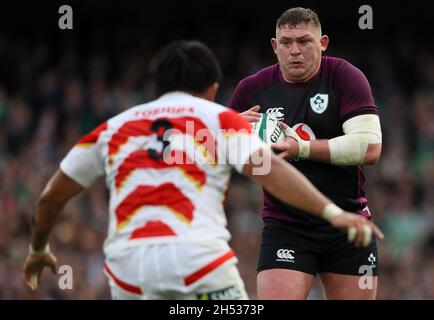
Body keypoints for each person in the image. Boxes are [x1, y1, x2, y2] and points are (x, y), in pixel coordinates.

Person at [23, 40, 382, 300]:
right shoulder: (219, 120)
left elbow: (50, 197)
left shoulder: (112, 128)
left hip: (127, 271)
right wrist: (333, 212)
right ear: (212, 89)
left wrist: (39, 247)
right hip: (200, 263)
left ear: (156, 86)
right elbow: (269, 169)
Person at [229, 7, 383, 299]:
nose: (295, 51)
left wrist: (301, 148)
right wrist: (232, 132)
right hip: (286, 227)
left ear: (323, 43)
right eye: (286, 43)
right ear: (275, 47)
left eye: (304, 41)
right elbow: (214, 153)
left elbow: (370, 147)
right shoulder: (252, 90)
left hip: (348, 223)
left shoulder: (345, 77)